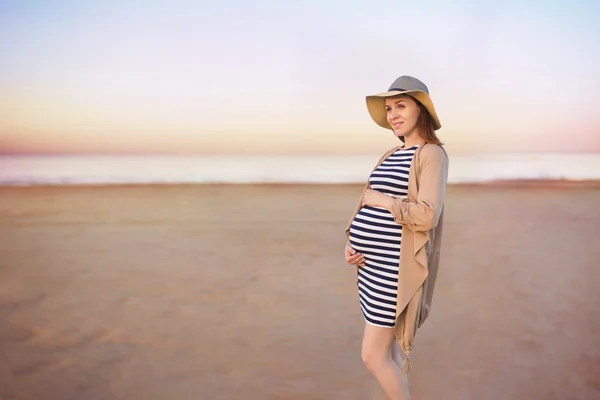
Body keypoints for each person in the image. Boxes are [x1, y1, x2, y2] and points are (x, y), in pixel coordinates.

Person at [344, 75, 449, 399]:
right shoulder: (391, 153)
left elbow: (427, 215)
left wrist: (384, 202)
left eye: (400, 106)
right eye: (389, 108)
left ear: (421, 110)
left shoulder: (431, 154)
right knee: (385, 355)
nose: (393, 114)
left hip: (394, 272)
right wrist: (350, 240)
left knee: (372, 356)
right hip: (370, 270)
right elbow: (366, 199)